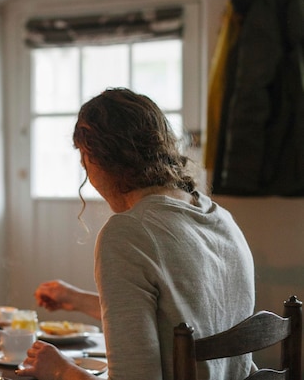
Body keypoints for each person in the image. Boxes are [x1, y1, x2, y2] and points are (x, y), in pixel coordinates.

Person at [16, 88, 255, 380]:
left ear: (101, 158)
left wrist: (60, 369)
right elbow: (182, 315)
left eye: (84, 160)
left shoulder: (128, 233)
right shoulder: (220, 218)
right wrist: (74, 299)